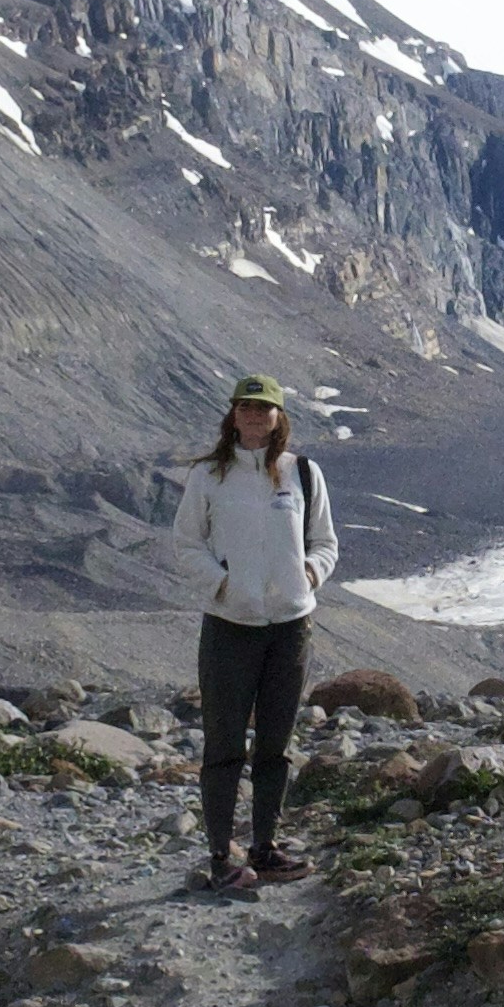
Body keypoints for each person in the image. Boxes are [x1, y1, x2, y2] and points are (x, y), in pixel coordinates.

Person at [173, 372, 336, 894]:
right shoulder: (208, 477)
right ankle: (222, 855)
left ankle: (264, 847)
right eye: (245, 407)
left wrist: (308, 576)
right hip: (230, 627)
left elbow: (325, 542)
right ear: (232, 414)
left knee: (276, 743)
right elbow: (185, 543)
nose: (254, 416)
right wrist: (223, 586)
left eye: (263, 409)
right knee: (223, 745)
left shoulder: (303, 474)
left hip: (289, 627)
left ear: (279, 418)